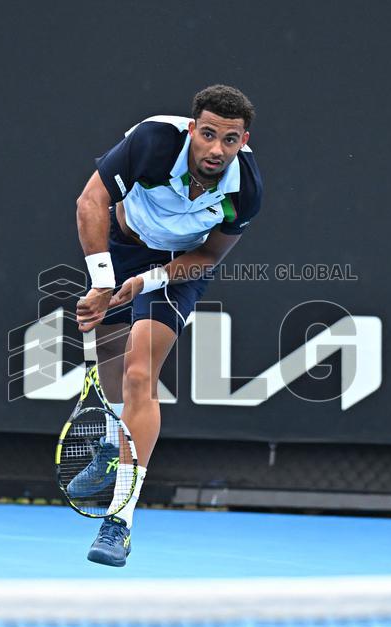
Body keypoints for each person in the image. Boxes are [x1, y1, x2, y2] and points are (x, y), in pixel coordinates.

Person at [73, 84, 262, 566]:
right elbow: (90, 202)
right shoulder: (153, 140)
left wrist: (148, 281)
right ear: (192, 128)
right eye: (208, 134)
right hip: (123, 243)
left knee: (141, 376)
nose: (216, 148)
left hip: (179, 266)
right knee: (120, 373)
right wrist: (103, 280)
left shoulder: (246, 189)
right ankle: (115, 444)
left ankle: (119, 521)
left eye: (230, 139)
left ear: (244, 140)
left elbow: (209, 255)